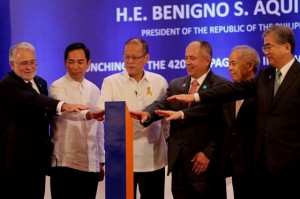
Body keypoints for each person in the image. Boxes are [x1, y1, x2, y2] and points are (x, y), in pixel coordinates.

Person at [167, 25, 300, 199]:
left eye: (269, 46)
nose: (266, 52)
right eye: (264, 47)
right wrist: (195, 97)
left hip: (292, 166)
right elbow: (231, 91)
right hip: (262, 167)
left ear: (287, 47)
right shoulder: (266, 76)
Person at [131, 40, 230, 199]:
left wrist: (208, 153)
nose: (188, 63)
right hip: (179, 166)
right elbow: (162, 103)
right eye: (186, 58)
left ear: (207, 60)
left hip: (205, 166)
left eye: (192, 58)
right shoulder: (177, 84)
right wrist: (147, 114)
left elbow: (225, 126)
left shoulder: (222, 86)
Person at [0, 42, 87, 199]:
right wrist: (63, 105)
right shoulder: (7, 85)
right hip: (15, 163)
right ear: (12, 64)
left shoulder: (40, 82)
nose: (29, 67)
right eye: (24, 63)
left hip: (38, 161)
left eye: (32, 62)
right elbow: (34, 100)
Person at [97, 38, 169, 199]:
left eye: (135, 57)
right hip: (120, 160)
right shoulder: (111, 82)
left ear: (147, 58)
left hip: (152, 157)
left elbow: (165, 120)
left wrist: (165, 140)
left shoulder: (160, 82)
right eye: (126, 56)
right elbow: (102, 110)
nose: (129, 61)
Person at [49, 43, 105, 199]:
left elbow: (99, 127)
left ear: (88, 63)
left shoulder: (94, 89)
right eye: (71, 62)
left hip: (91, 163)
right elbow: (67, 113)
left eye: (80, 62)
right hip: (65, 162)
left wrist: (101, 160)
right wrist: (88, 115)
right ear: (65, 63)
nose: (75, 66)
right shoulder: (57, 87)